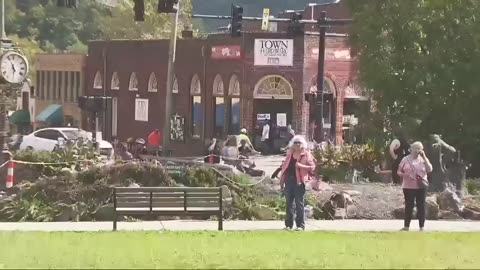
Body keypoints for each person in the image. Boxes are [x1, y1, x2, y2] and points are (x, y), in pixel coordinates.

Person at [279, 135, 316, 231]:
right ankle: (288, 225)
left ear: (303, 144)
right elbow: (284, 168)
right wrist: (282, 181)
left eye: (299, 143)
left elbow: (312, 167)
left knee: (299, 204)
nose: (297, 144)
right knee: (289, 203)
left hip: (299, 182)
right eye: (295, 143)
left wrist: (300, 165)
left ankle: (300, 225)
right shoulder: (290, 153)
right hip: (289, 180)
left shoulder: (306, 154)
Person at [397, 141, 433, 231]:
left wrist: (424, 157)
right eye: (416, 148)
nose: (417, 150)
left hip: (421, 186)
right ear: (411, 149)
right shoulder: (405, 159)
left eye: (420, 148)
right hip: (408, 186)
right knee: (409, 206)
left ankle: (421, 227)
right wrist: (405, 175)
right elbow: (398, 172)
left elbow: (430, 169)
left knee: (421, 206)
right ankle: (406, 226)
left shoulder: (423, 159)